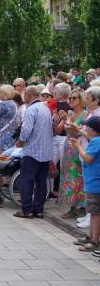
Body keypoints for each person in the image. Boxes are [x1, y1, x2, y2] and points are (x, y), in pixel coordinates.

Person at [14, 86, 53, 219]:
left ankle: (27, 210)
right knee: (41, 183)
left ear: (29, 95)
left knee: (27, 180)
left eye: (25, 95)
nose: (24, 97)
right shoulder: (45, 108)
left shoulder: (31, 109)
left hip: (32, 151)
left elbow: (26, 130)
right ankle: (39, 210)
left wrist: (21, 141)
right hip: (45, 151)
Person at [68, 116, 100, 252]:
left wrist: (78, 146)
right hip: (93, 182)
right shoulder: (96, 139)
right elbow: (88, 136)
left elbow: (87, 158)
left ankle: (94, 241)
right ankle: (91, 236)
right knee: (93, 212)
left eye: (87, 127)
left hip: (95, 183)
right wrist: (80, 132)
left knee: (96, 213)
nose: (85, 129)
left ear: (92, 129)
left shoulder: (96, 142)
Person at [58, 89, 87, 218]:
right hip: (68, 148)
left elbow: (80, 133)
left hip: (78, 147)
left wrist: (67, 120)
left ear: (81, 100)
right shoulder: (70, 113)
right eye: (70, 98)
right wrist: (63, 119)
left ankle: (79, 206)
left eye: (74, 98)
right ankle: (72, 206)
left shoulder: (85, 115)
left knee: (78, 177)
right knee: (68, 177)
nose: (71, 100)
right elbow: (62, 130)